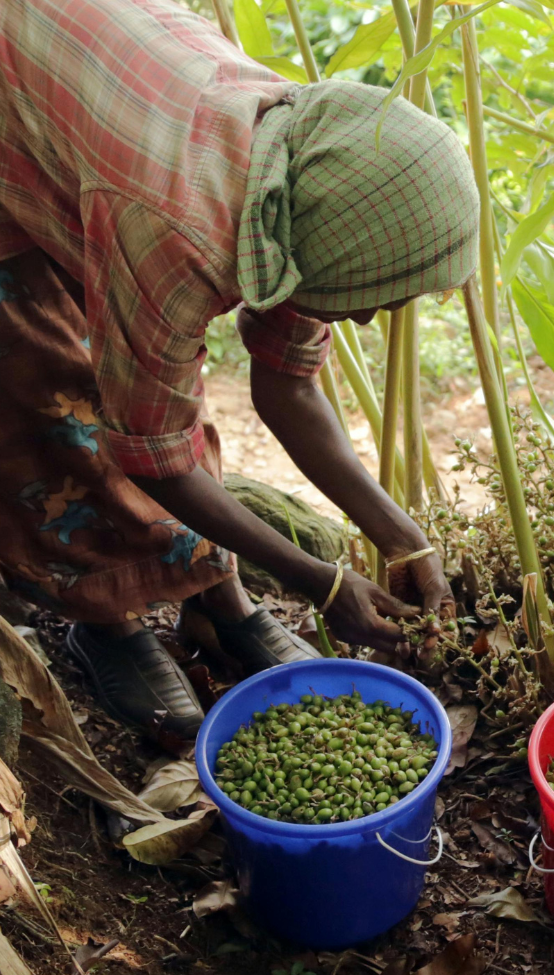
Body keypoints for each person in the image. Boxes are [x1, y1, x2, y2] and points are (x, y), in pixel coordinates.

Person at [0, 0, 480, 749]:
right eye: (369, 300)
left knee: (140, 381)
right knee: (54, 386)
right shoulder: (177, 231)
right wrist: (319, 581)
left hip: (102, 97)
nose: (363, 319)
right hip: (21, 98)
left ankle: (217, 602)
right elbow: (155, 453)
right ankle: (107, 618)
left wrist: (402, 537)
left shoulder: (309, 190)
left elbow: (288, 385)